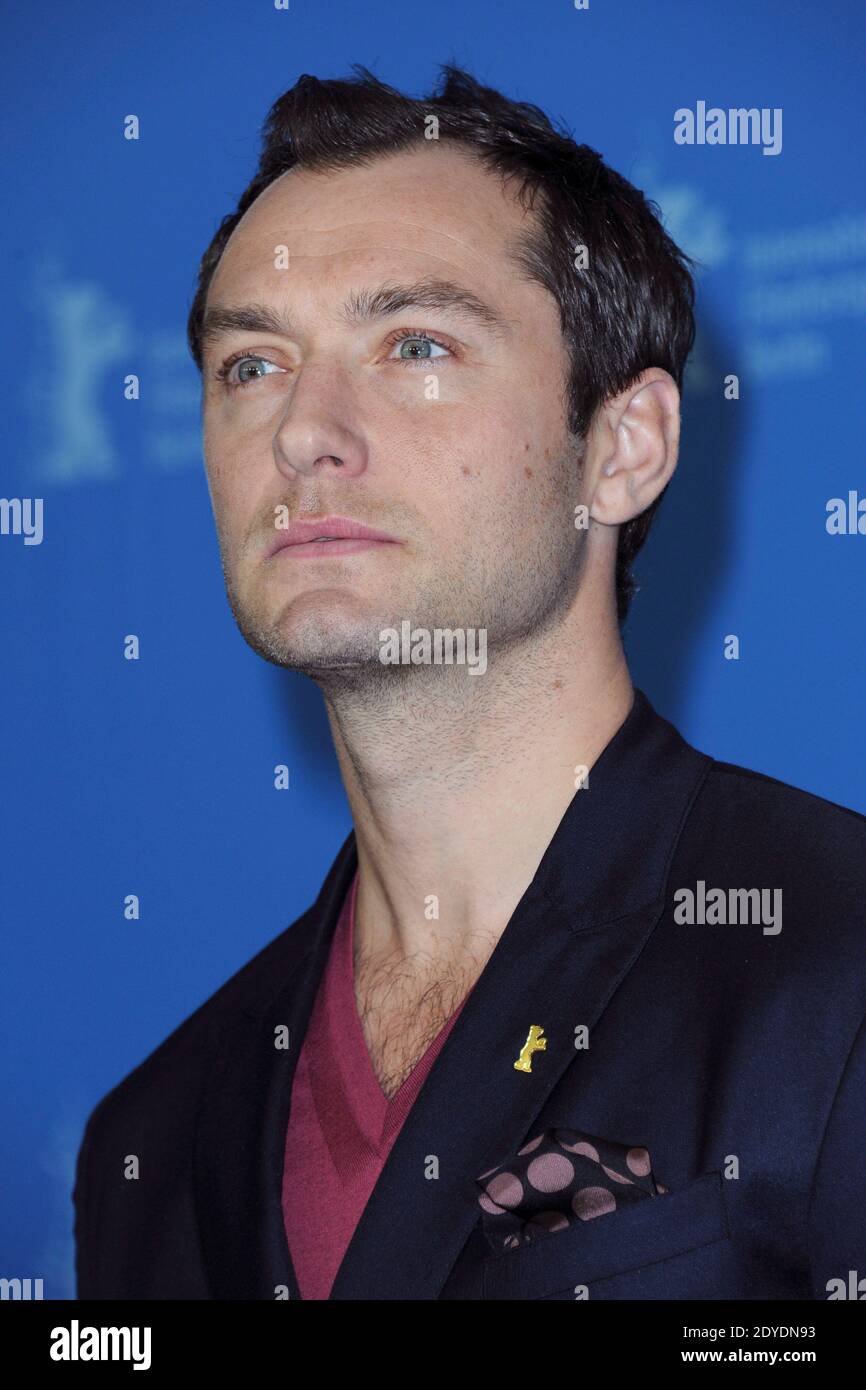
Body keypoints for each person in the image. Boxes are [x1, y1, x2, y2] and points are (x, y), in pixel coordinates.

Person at [73, 63, 866, 1301]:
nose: (302, 430)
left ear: (619, 450)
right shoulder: (153, 1136)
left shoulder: (836, 963)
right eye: (251, 366)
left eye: (416, 344)